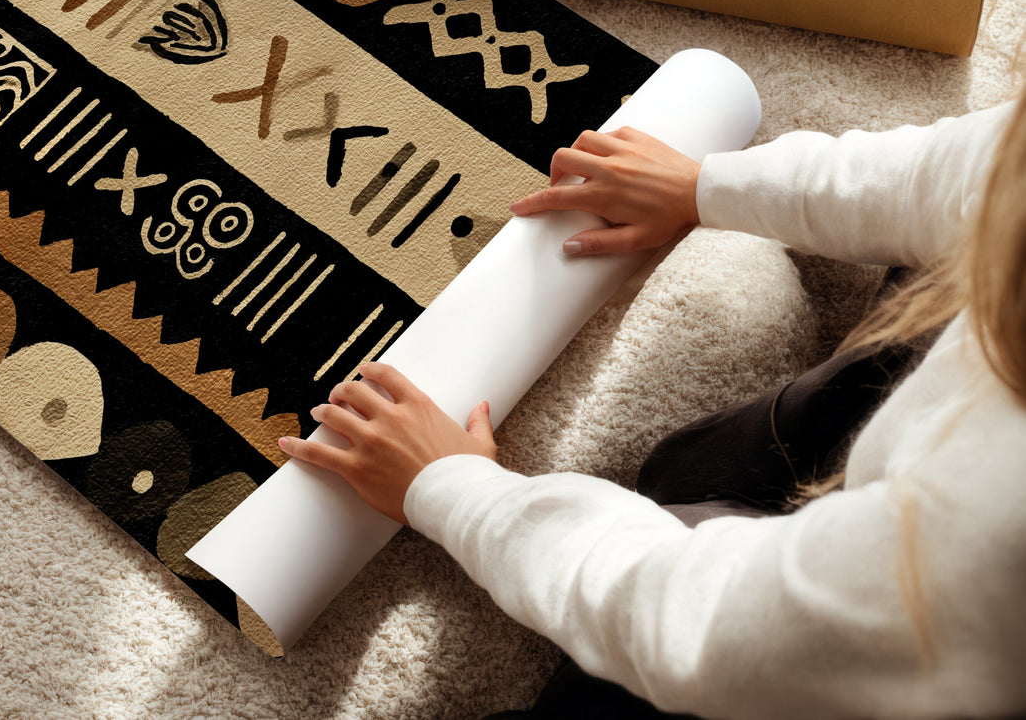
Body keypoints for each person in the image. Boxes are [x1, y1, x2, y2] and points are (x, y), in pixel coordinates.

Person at [278, 96, 1026, 719]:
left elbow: (702, 624)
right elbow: (971, 170)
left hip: (921, 652)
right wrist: (705, 186)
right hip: (930, 493)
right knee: (697, 471)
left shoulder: (989, 537)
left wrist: (453, 490)